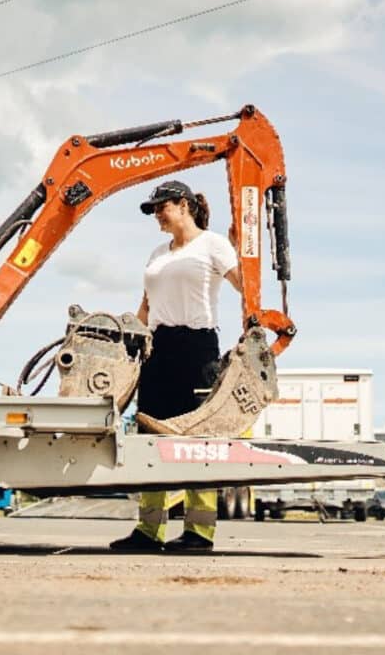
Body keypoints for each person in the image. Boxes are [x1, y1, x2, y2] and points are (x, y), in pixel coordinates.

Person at [110, 180, 241, 553]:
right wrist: (131, 342)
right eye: (152, 210)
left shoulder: (213, 244)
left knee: (196, 440)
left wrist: (241, 249)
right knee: (150, 438)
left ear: (182, 204)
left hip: (196, 347)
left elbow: (245, 287)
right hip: (157, 348)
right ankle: (149, 532)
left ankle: (199, 534)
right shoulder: (157, 252)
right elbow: (147, 303)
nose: (156, 215)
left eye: (159, 208)